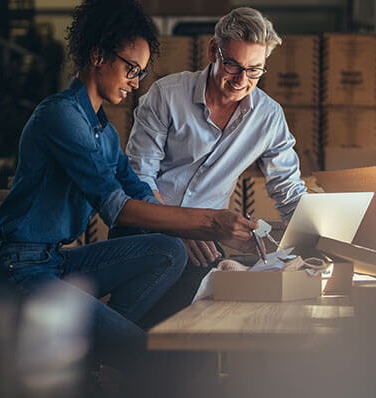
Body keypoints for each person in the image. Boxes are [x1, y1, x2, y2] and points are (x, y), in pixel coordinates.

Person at [0, 0, 258, 383]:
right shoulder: (61, 116)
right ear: (97, 55)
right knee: (147, 357)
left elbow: (137, 188)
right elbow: (118, 209)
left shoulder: (102, 131)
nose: (136, 82)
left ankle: (86, 356)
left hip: (54, 264)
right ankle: (97, 354)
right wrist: (210, 223)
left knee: (168, 249)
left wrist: (192, 231)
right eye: (131, 69)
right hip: (14, 270)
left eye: (140, 73)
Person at [123, 7, 307, 328]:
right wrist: (180, 226)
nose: (241, 80)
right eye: (233, 65)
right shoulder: (166, 96)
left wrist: (316, 240)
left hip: (205, 242)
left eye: (254, 70)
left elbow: (289, 191)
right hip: (145, 230)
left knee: (206, 330)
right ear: (213, 51)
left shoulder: (268, 116)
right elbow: (138, 179)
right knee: (152, 335)